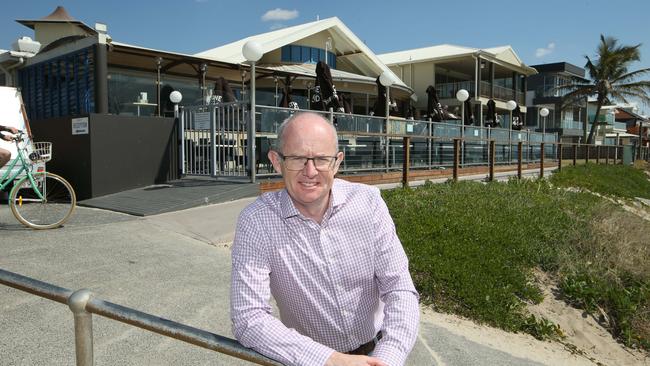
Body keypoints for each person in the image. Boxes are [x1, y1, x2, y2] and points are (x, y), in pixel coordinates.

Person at [230, 112, 419, 366]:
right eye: (297, 158)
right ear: (277, 161)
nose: (310, 171)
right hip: (309, 360)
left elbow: (399, 287)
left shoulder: (368, 202)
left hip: (377, 351)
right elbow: (248, 318)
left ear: (337, 162)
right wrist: (329, 360)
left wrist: (389, 356)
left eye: (321, 159)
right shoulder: (256, 222)